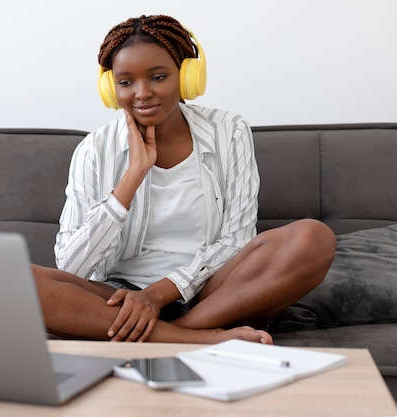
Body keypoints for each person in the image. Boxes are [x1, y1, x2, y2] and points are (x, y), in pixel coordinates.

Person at [33, 14, 336, 345]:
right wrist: (132, 177)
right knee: (18, 280)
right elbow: (71, 267)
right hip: (116, 298)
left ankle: (176, 334)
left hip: (213, 294)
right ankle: (198, 339)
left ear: (188, 76)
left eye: (158, 77)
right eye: (125, 82)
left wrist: (158, 294)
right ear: (110, 87)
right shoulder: (94, 149)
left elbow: (236, 240)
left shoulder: (228, 130)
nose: (142, 93)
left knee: (313, 238)